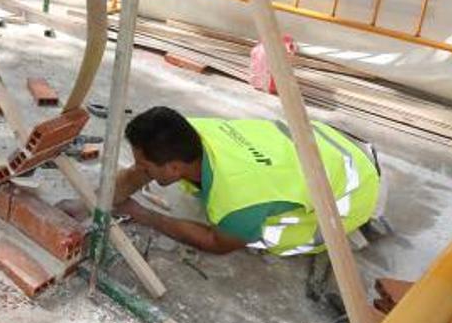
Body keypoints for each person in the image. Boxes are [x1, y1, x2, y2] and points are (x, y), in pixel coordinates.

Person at [113, 107, 381, 256]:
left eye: (144, 165)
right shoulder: (189, 132)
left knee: (254, 232)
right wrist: (97, 199)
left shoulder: (239, 199)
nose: (138, 169)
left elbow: (217, 243)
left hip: (359, 187)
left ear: (173, 168)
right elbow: (139, 173)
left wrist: (144, 215)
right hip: (331, 141)